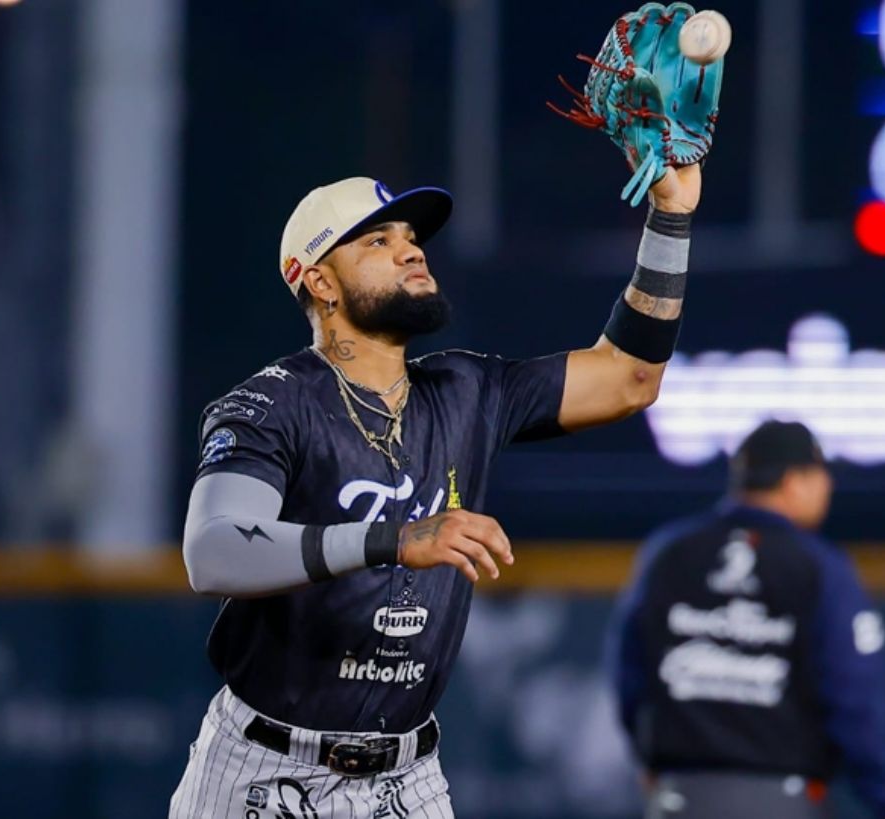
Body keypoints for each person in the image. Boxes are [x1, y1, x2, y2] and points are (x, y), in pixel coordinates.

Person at [169, 162, 703, 818]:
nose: (411, 249)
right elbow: (214, 551)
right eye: (378, 240)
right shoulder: (272, 404)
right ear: (321, 282)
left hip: (406, 775)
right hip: (268, 766)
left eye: (411, 237)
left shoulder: (464, 390)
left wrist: (671, 217)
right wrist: (395, 539)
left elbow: (630, 377)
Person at [610, 420, 885, 819]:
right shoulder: (820, 567)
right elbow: (855, 700)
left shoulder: (670, 552)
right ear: (794, 482)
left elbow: (629, 677)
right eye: (820, 475)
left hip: (681, 797)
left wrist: (650, 760)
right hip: (783, 801)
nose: (828, 487)